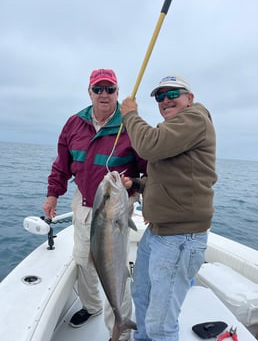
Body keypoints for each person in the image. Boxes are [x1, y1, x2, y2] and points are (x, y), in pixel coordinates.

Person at [42, 68, 147, 341]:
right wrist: (53, 194)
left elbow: (149, 170)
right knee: (83, 261)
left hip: (117, 207)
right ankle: (91, 306)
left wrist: (145, 197)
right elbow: (62, 164)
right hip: (86, 205)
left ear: (117, 93)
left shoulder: (130, 125)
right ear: (89, 92)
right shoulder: (74, 124)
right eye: (98, 89)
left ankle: (119, 329)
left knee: (116, 268)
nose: (104, 94)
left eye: (109, 89)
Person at [120, 74, 217, 341]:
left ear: (190, 98)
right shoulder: (176, 130)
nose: (165, 100)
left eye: (173, 94)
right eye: (160, 97)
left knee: (161, 324)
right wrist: (139, 184)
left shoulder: (195, 119)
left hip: (179, 239)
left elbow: (148, 146)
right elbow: (170, 177)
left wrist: (130, 115)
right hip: (158, 234)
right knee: (141, 295)